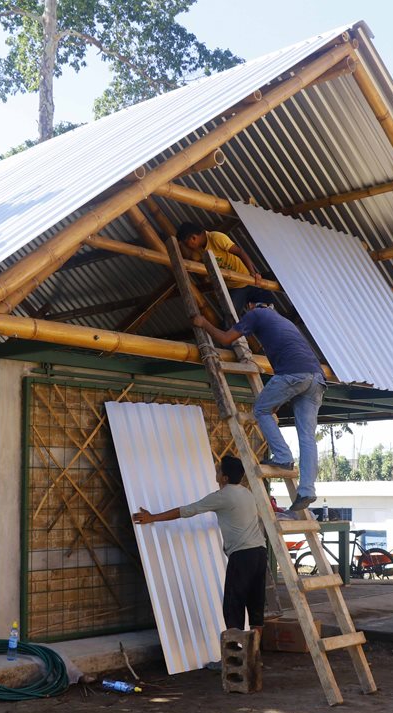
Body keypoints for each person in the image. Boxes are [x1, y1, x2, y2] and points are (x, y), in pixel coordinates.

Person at [192, 287, 323, 512]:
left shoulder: (256, 314)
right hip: (316, 377)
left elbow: (225, 338)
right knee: (307, 436)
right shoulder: (283, 321)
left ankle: (282, 456)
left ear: (252, 305)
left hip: (293, 373)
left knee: (261, 409)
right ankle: (307, 490)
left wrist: (203, 323)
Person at [132, 456, 267, 667]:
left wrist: (153, 517)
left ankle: (234, 662)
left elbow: (187, 510)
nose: (215, 473)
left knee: (233, 607)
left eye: (218, 470)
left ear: (223, 477)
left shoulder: (223, 496)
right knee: (256, 608)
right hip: (260, 553)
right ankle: (254, 658)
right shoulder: (247, 493)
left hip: (242, 556)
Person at [176, 222, 260, 279]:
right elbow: (201, 273)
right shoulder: (197, 251)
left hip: (246, 277)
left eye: (187, 244)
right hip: (232, 286)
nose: (188, 247)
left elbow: (240, 252)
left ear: (193, 238)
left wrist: (252, 273)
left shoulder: (216, 237)